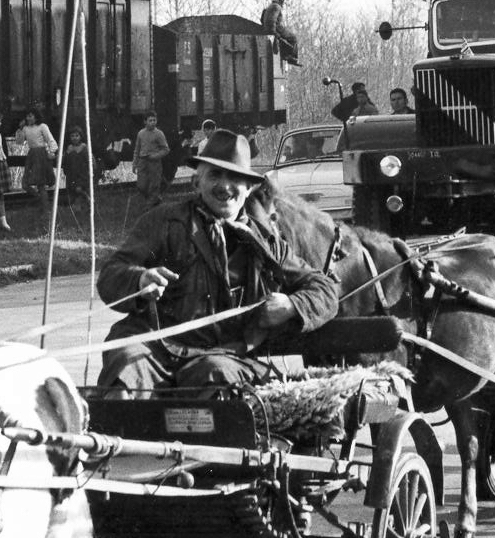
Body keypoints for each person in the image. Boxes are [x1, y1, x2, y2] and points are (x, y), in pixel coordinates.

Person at [95, 129, 339, 395]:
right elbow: (110, 276)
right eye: (214, 175)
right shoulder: (163, 222)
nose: (224, 186)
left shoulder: (268, 244)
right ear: (197, 181)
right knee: (125, 365)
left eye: (234, 178)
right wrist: (140, 280)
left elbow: (325, 289)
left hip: (222, 356)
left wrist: (293, 305)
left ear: (249, 189)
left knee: (214, 376)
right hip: (154, 347)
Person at [16, 110, 57, 200]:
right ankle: (39, 198)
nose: (28, 118)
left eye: (30, 116)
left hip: (41, 155)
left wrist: (52, 152)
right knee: (25, 184)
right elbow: (19, 142)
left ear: (36, 117)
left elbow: (51, 140)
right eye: (27, 116)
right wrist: (20, 128)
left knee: (41, 185)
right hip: (32, 155)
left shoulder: (42, 126)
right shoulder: (25, 128)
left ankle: (45, 210)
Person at [132, 112, 171, 207]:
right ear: (145, 122)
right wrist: (134, 164)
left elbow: (166, 149)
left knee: (154, 184)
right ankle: (155, 199)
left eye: (154, 120)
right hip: (142, 162)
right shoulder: (141, 133)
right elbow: (137, 149)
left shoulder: (159, 134)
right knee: (141, 186)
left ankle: (150, 206)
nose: (153, 122)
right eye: (150, 120)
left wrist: (155, 156)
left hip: (154, 163)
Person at [260, 0, 300, 66]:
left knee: (287, 40)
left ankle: (286, 55)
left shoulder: (270, 6)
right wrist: (274, 33)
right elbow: (272, 20)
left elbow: (262, 19)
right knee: (293, 38)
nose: (283, 0)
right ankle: (292, 58)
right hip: (277, 28)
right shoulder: (276, 7)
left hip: (272, 28)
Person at [60, 128, 95, 206]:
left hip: (82, 173)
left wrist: (91, 169)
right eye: (72, 136)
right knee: (72, 191)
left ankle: (88, 198)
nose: (74, 138)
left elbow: (90, 159)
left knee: (78, 188)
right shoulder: (69, 148)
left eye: (77, 135)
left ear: (81, 136)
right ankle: (78, 205)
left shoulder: (84, 147)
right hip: (72, 174)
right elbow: (66, 161)